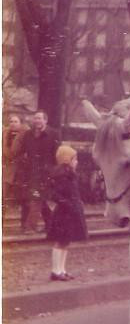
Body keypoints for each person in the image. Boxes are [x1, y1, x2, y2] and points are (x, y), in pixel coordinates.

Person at [13, 110, 60, 233]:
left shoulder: (54, 134)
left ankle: (30, 227)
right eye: (35, 118)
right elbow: (21, 151)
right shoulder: (28, 134)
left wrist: (54, 171)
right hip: (31, 172)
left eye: (39, 118)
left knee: (36, 198)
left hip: (46, 173)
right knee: (39, 199)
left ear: (45, 120)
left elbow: (57, 154)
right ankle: (51, 224)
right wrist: (23, 163)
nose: (37, 121)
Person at [47, 144, 88, 281]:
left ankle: (61, 270)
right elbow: (56, 195)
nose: (76, 162)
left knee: (66, 241)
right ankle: (55, 271)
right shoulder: (62, 175)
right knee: (61, 241)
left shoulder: (69, 174)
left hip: (69, 212)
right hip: (64, 213)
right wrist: (69, 204)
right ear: (67, 159)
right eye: (74, 159)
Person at [3, 114, 24, 215]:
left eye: (16, 121)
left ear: (20, 123)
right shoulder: (5, 134)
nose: (13, 124)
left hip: (20, 165)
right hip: (7, 164)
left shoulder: (25, 134)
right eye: (11, 121)